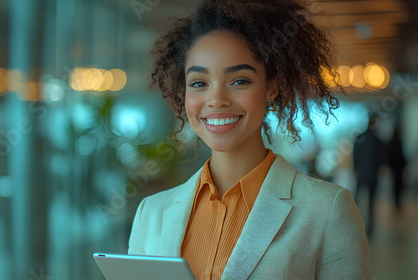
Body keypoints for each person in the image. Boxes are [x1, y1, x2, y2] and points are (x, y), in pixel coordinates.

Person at [128, 0, 370, 279]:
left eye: (240, 80)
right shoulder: (152, 213)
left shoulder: (327, 210)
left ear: (272, 87)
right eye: (199, 83)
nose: (216, 99)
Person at [353, 115, 385, 236]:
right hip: (368, 174)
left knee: (364, 202)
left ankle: (364, 226)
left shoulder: (362, 138)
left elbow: (356, 155)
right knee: (365, 202)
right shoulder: (375, 140)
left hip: (365, 174)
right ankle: (363, 226)